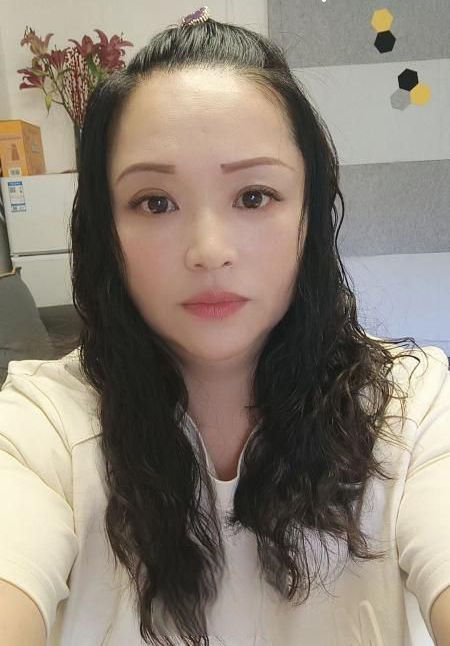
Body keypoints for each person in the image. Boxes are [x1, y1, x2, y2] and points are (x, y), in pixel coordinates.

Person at [0, 8, 449, 646]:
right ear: (106, 229)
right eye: (155, 202)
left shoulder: (414, 409)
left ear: (308, 216)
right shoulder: (42, 427)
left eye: (254, 196)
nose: (209, 251)